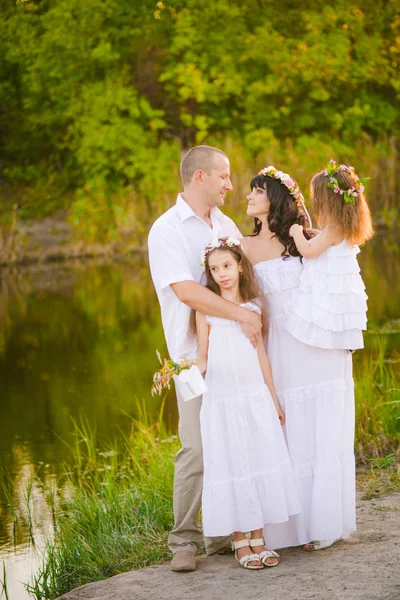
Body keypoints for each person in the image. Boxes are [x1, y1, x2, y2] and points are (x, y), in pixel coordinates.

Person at [148, 145, 262, 572]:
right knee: (195, 445)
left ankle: (225, 531)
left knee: (233, 439)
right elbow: (185, 291)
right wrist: (240, 316)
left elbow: (246, 275)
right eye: (224, 176)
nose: (230, 184)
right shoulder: (166, 230)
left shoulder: (226, 224)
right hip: (188, 357)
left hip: (233, 351)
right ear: (200, 178)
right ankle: (184, 539)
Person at [241, 165, 359, 551]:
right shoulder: (242, 246)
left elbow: (336, 279)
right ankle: (288, 528)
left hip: (314, 344)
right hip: (278, 347)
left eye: (256, 190)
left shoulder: (302, 240)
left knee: (321, 425)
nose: (249, 196)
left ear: (273, 197)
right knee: (287, 426)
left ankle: (323, 525)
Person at [195, 238, 300, 570]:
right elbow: (202, 356)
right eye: (215, 269)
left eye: (227, 266)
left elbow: (261, 357)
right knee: (232, 462)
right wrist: (180, 374)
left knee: (256, 458)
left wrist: (273, 399)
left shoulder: (254, 307)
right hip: (222, 398)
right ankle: (240, 540)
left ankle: (259, 537)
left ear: (240, 266)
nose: (222, 274)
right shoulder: (206, 306)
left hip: (254, 395)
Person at [287, 159, 374, 351]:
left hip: (331, 290)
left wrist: (296, 233)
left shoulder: (334, 228)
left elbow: (309, 252)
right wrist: (318, 236)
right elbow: (329, 245)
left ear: (329, 201)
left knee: (324, 317)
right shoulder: (344, 227)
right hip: (342, 290)